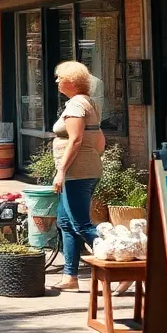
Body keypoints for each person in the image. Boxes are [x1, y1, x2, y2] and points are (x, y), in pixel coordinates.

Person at [50, 60, 107, 292]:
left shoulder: (75, 106)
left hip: (76, 173)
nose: (56, 81)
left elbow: (76, 140)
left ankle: (124, 260)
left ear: (71, 82)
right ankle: (70, 277)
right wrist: (93, 157)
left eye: (59, 77)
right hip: (85, 169)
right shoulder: (89, 102)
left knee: (81, 224)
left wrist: (61, 171)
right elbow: (100, 139)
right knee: (66, 223)